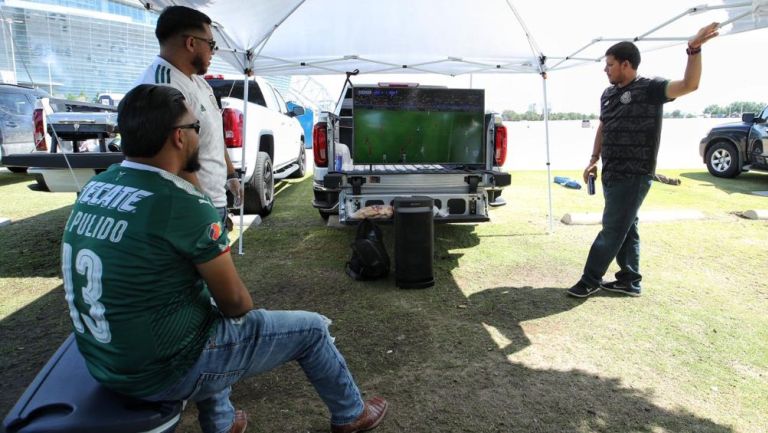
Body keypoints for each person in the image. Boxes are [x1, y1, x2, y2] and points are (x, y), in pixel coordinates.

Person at [61, 84, 388, 433]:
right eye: (196, 128)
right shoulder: (181, 204)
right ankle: (352, 413)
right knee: (310, 330)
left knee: (202, 316)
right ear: (178, 137)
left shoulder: (99, 186)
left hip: (105, 359)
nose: (200, 138)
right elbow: (237, 305)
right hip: (160, 372)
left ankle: (223, 421)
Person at [567, 23, 719, 298]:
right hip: (611, 173)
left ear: (626, 64)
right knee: (627, 227)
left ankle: (589, 279)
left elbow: (689, 85)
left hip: (634, 174)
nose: (605, 69)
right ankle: (629, 280)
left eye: (610, 65)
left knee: (612, 229)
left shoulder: (651, 88)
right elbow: (604, 126)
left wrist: (693, 49)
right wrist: (593, 159)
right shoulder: (608, 94)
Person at [135, 5, 242, 224]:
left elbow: (213, 133)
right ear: (191, 43)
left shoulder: (200, 83)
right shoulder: (161, 86)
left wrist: (231, 175)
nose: (213, 52)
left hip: (212, 202)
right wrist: (202, 207)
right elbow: (172, 159)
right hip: (187, 209)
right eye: (211, 44)